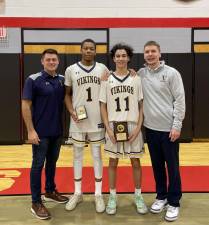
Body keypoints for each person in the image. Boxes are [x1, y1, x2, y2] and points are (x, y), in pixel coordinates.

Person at [138, 41, 185, 222]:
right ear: (144, 55)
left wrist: (177, 126)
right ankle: (161, 196)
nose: (150, 54)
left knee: (172, 168)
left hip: (168, 130)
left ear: (159, 53)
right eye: (147, 52)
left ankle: (174, 202)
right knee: (157, 166)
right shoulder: (141, 74)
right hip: (151, 129)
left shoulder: (172, 73)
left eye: (153, 51)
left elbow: (180, 100)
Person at [100, 43, 148, 215]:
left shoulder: (136, 79)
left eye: (123, 55)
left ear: (128, 58)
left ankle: (138, 195)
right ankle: (112, 196)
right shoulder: (106, 80)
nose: (120, 58)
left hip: (133, 125)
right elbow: (103, 106)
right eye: (117, 56)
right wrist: (108, 129)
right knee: (113, 162)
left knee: (136, 161)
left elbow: (142, 106)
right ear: (113, 59)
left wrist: (138, 128)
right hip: (114, 126)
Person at [22, 49, 69, 220]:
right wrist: (30, 130)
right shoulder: (33, 80)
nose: (51, 62)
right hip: (40, 133)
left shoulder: (62, 80)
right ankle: (36, 202)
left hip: (57, 132)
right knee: (37, 165)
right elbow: (25, 105)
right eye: (48, 59)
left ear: (57, 62)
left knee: (52, 163)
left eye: (54, 59)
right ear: (42, 61)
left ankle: (49, 191)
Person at [64, 39, 108, 213]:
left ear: (95, 51)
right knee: (77, 156)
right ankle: (77, 192)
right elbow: (66, 94)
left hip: (97, 118)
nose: (88, 51)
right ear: (81, 50)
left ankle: (98, 194)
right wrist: (71, 111)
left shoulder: (103, 68)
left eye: (92, 49)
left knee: (97, 156)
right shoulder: (71, 70)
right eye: (86, 48)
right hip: (78, 119)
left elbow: (114, 83)